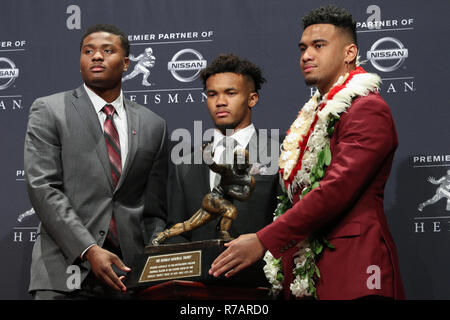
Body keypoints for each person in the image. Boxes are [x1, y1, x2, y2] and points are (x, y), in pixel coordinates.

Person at [209, 6, 405, 300]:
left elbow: (334, 191)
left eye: (319, 46)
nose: (306, 55)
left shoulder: (367, 109)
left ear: (349, 52)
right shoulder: (313, 114)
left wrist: (264, 240)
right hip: (306, 268)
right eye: (303, 48)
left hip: (354, 269)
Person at [24, 24, 168, 299]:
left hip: (129, 278)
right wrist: (89, 249)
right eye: (88, 51)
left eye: (107, 50)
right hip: (64, 274)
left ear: (126, 64)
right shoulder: (50, 110)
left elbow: (154, 208)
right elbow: (43, 188)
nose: (96, 57)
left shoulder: (154, 125)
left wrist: (149, 262)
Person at [166, 53, 280, 243]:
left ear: (252, 99)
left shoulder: (279, 154)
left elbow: (289, 223)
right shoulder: (184, 165)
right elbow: (178, 233)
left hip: (259, 271)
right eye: (212, 94)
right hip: (201, 271)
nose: (220, 102)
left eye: (230, 93)